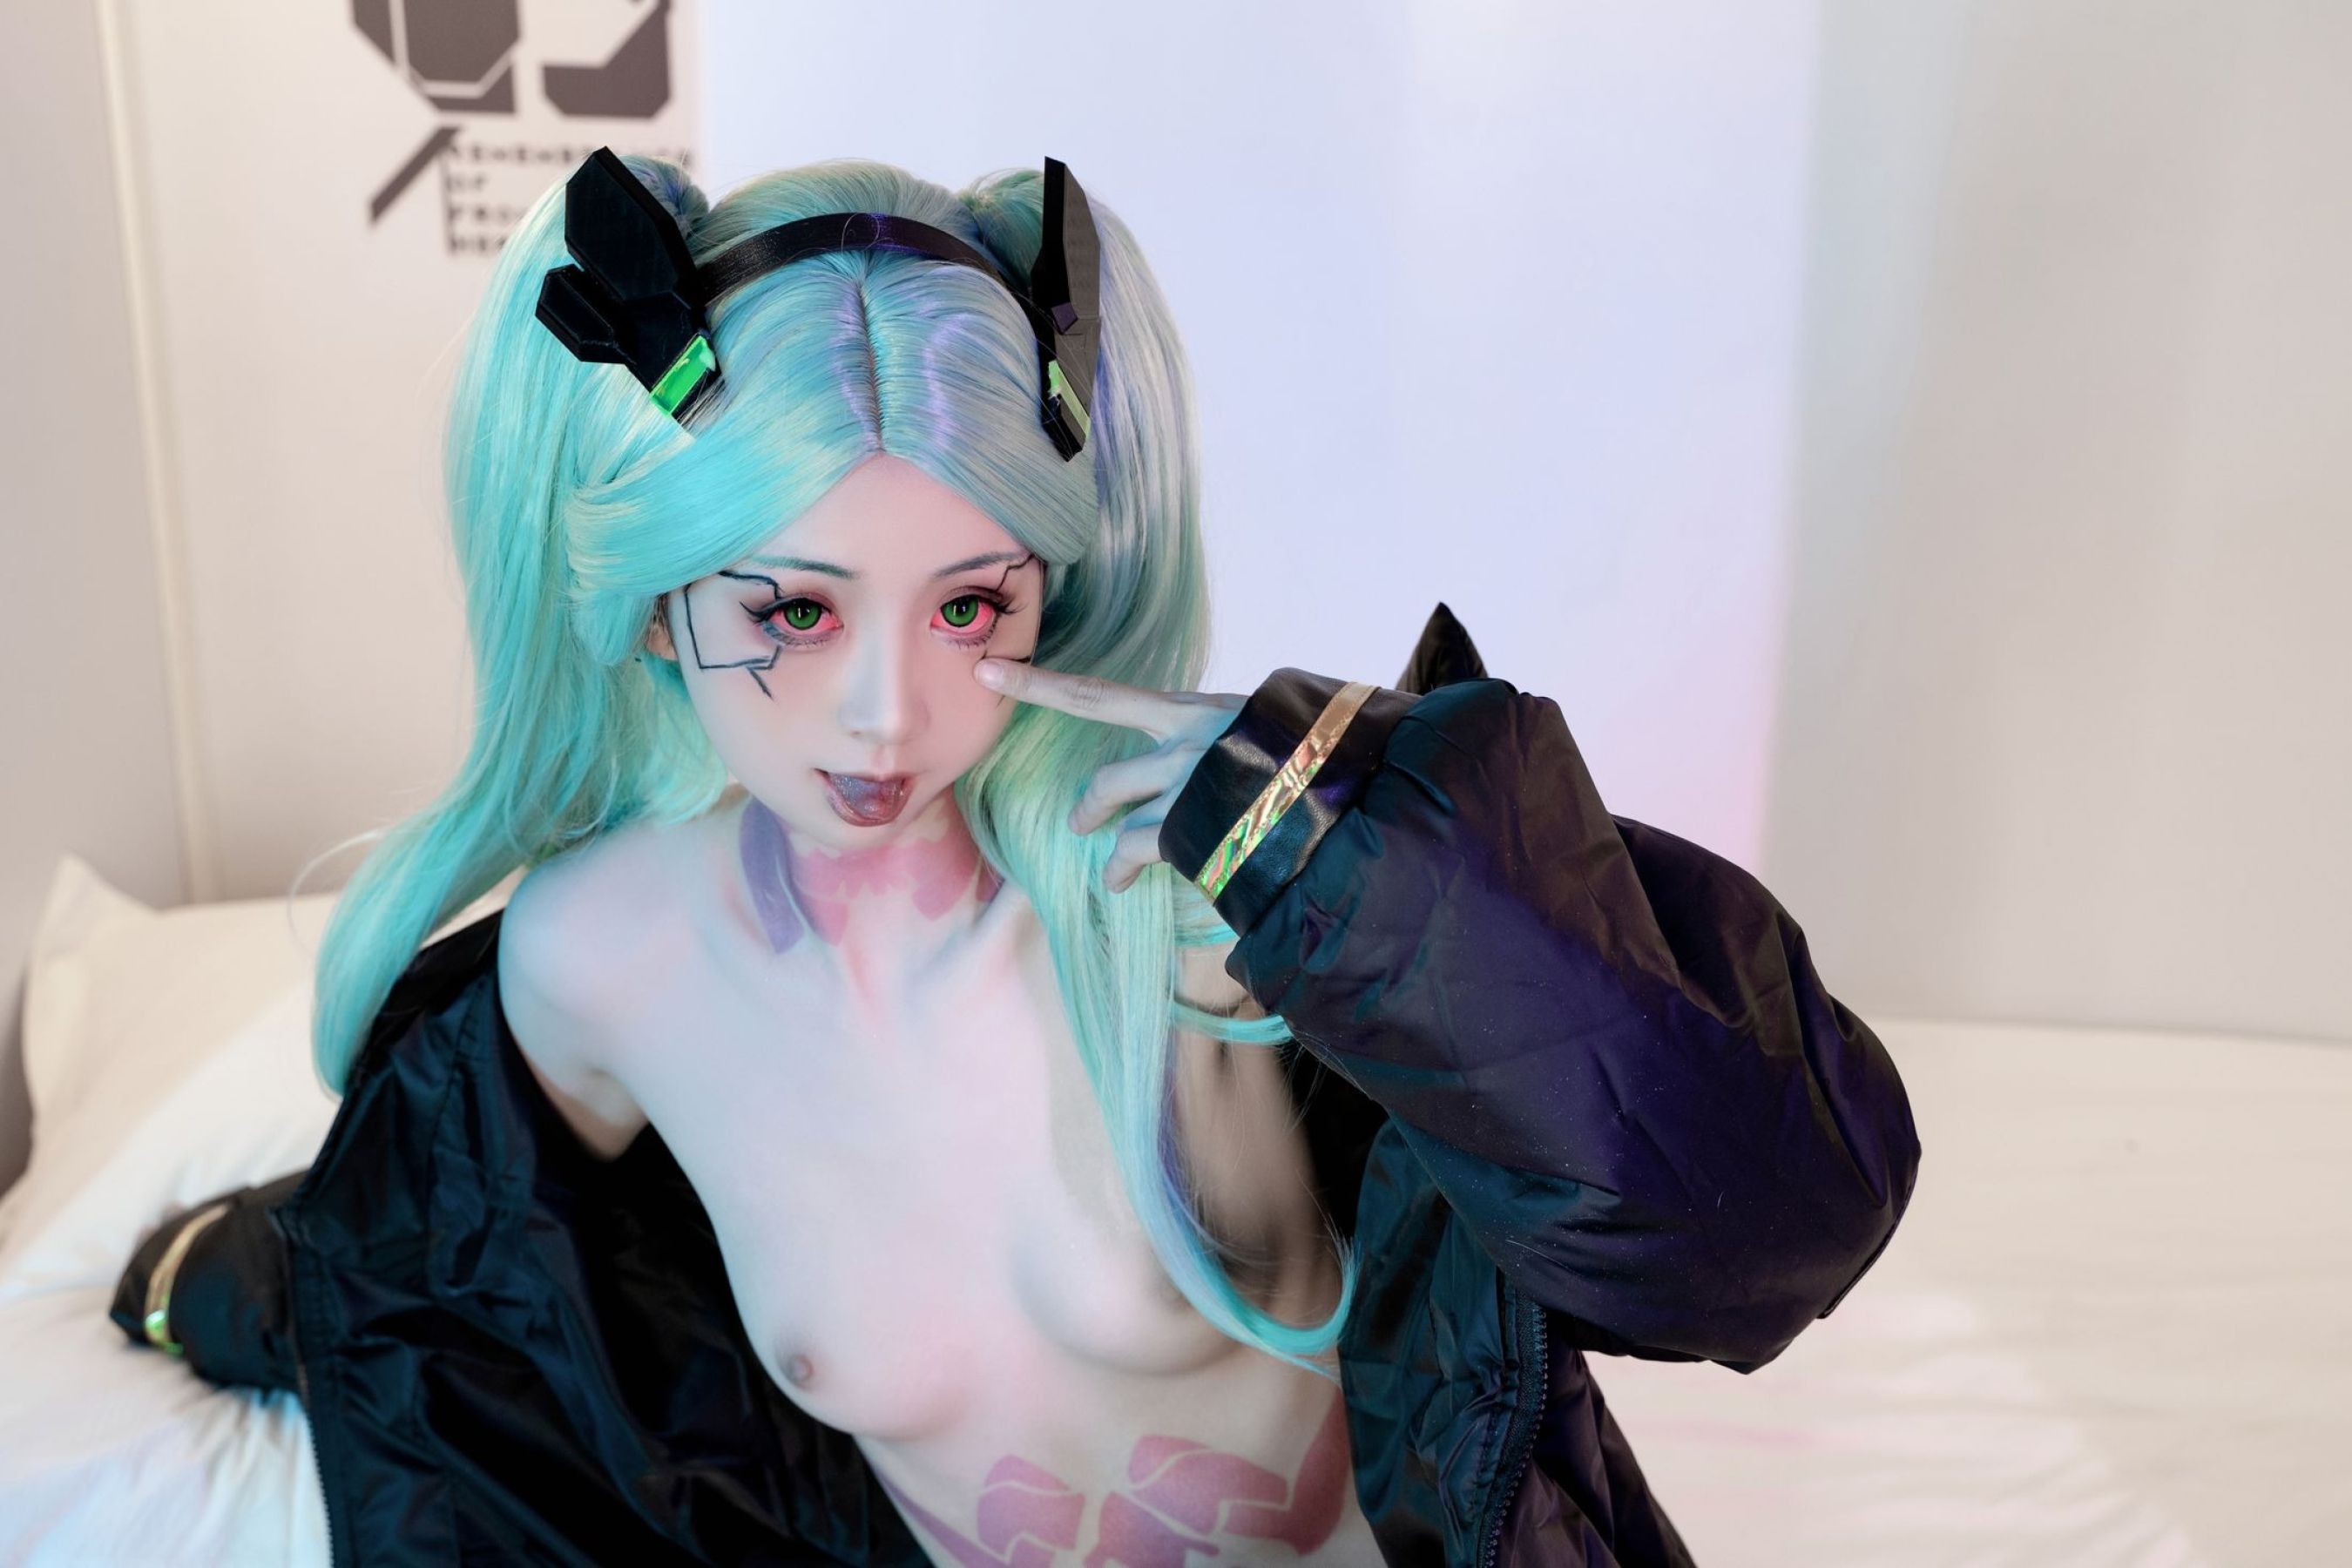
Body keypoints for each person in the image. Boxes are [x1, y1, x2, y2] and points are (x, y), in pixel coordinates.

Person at [113, 148, 1922, 1566]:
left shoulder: (1194, 904)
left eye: (969, 603)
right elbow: (463, 1271)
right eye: (795, 611)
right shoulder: (601, 962)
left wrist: (1357, 860)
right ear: (659, 605)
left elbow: (1768, 1219)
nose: (887, 713)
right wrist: (254, 1283)